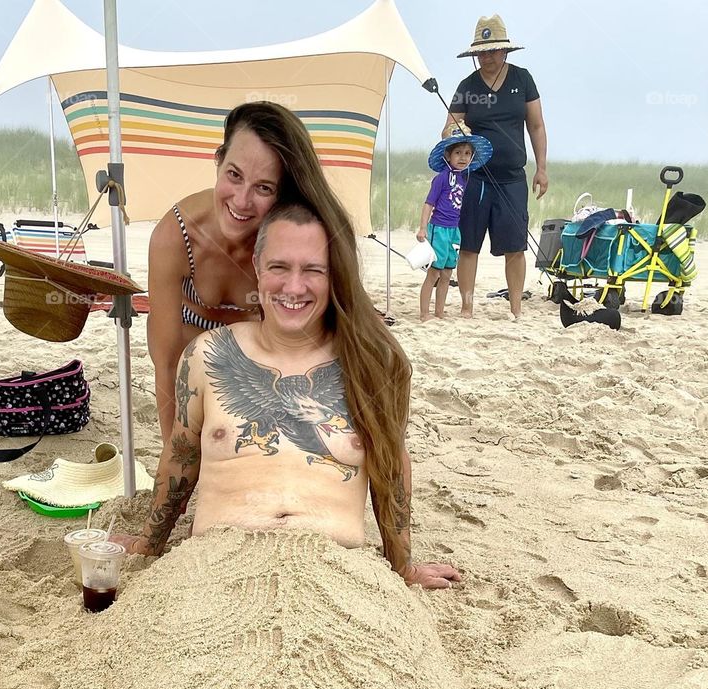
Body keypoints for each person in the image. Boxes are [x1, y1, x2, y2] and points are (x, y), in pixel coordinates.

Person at [117, 204, 461, 591]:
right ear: (258, 268)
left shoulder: (372, 361)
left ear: (334, 276)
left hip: (338, 575)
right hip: (214, 571)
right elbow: (181, 456)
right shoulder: (205, 354)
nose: (294, 287)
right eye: (279, 267)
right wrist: (147, 545)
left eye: (312, 270)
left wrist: (404, 567)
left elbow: (391, 467)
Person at [147, 101, 356, 445]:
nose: (241, 201)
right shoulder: (175, 235)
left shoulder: (288, 242)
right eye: (234, 175)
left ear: (283, 192)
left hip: (263, 358)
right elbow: (167, 364)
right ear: (218, 163)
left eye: (264, 188)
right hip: (187, 351)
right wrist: (174, 456)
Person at [443, 14, 548, 320]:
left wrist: (541, 168)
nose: (487, 57)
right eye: (482, 52)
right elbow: (448, 128)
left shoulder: (522, 79)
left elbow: (537, 126)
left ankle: (516, 308)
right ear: (475, 54)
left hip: (513, 178)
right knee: (469, 246)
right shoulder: (467, 85)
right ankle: (466, 306)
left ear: (504, 50)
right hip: (475, 178)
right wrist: (457, 130)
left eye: (492, 50)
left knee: (516, 246)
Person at [416, 135, 492, 322]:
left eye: (467, 153)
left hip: (454, 230)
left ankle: (439, 312)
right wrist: (422, 228)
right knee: (433, 273)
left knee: (447, 273)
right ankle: (425, 313)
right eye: (458, 153)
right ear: (448, 155)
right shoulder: (441, 178)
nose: (463, 157)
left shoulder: (463, 179)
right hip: (438, 230)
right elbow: (428, 204)